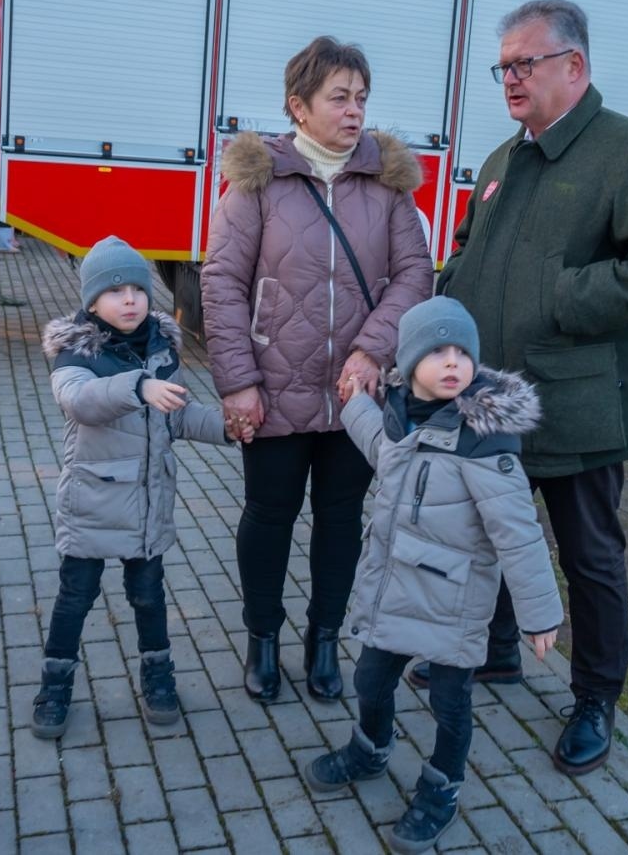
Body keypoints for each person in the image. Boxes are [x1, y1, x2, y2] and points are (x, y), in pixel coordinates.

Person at [427, 0, 628, 775]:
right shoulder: (501, 160)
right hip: (488, 399)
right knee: (489, 533)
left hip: (575, 402)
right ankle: (498, 648)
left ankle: (595, 697)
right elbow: (466, 253)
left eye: (526, 64)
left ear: (574, 66)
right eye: (503, 66)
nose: (510, 79)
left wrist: (555, 295)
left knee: (589, 557)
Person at [202, 36, 432, 703]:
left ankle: (325, 640)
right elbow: (220, 284)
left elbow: (416, 273)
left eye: (361, 98)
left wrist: (373, 349)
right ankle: (262, 640)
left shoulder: (386, 184)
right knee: (268, 517)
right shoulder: (257, 180)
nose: (354, 110)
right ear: (298, 106)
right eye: (340, 97)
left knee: (342, 520)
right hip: (275, 388)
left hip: (356, 394)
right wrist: (238, 381)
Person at [304, 297, 562, 853]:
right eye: (438, 351)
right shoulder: (402, 416)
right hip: (395, 594)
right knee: (370, 681)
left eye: (462, 352)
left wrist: (540, 613)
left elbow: (519, 534)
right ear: (409, 361)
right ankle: (371, 749)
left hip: (454, 606)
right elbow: (382, 448)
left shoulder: (485, 446)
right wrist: (353, 405)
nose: (453, 363)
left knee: (450, 705)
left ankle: (442, 788)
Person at [32, 237, 236, 738]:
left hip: (147, 501)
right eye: (114, 290)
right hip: (93, 501)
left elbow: (178, 414)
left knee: (148, 596)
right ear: (92, 302)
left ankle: (158, 676)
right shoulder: (75, 353)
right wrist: (137, 386)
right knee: (74, 597)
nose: (129, 299)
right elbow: (80, 402)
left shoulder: (160, 346)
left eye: (137, 289)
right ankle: (55, 685)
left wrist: (229, 427)